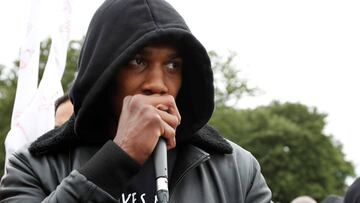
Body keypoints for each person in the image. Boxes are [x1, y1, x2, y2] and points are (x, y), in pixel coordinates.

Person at [0, 0, 272, 202]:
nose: (157, 83)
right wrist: (118, 158)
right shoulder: (33, 166)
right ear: (104, 73)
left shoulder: (237, 169)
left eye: (173, 65)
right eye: (138, 61)